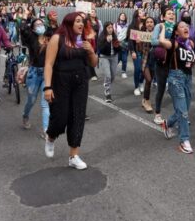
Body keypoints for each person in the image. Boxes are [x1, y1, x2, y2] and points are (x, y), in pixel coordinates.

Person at [43, 12, 98, 170]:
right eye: (78, 21)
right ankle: (51, 136)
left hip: (80, 82)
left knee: (78, 116)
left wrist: (90, 51)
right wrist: (47, 87)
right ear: (69, 23)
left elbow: (93, 64)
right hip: (61, 81)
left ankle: (74, 155)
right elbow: (48, 64)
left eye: (83, 22)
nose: (81, 24)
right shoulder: (57, 38)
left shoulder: (85, 40)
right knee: (60, 117)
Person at [160, 21, 195, 154]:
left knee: (185, 108)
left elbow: (189, 64)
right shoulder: (174, 43)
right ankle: (184, 141)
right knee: (183, 112)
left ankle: (167, 123)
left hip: (187, 79)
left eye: (187, 26)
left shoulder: (190, 44)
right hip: (175, 79)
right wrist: (162, 28)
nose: (186, 28)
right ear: (176, 32)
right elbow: (162, 42)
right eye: (182, 27)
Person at [20, 17, 49, 133]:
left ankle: (46, 131)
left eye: (41, 24)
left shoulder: (49, 38)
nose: (39, 26)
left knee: (45, 103)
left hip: (46, 73)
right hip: (34, 73)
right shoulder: (31, 38)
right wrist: (27, 18)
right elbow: (23, 29)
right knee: (31, 100)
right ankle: (25, 115)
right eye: (36, 25)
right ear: (32, 28)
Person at [151, 7, 176, 124]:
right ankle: (157, 114)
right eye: (169, 14)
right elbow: (153, 41)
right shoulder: (160, 26)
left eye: (173, 13)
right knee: (161, 89)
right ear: (164, 16)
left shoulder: (176, 27)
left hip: (174, 63)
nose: (171, 15)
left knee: (176, 90)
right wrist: (167, 42)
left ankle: (179, 115)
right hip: (161, 62)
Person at [98, 21, 121, 103]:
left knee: (113, 76)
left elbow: (118, 50)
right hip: (104, 57)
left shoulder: (114, 36)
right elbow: (100, 50)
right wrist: (107, 41)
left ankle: (107, 83)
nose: (110, 29)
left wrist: (118, 45)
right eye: (109, 28)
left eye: (111, 28)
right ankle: (107, 92)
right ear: (105, 28)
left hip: (114, 57)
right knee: (108, 75)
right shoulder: (101, 36)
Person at [127, 9, 146, 96]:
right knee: (137, 69)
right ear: (137, 15)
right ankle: (136, 87)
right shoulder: (132, 26)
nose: (143, 13)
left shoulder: (146, 25)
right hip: (136, 50)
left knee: (144, 69)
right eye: (141, 12)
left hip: (145, 51)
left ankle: (141, 82)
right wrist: (132, 51)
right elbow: (130, 40)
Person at [140, 16, 156, 113]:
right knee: (149, 80)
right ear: (145, 24)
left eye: (151, 22)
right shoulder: (142, 34)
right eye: (148, 22)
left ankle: (144, 99)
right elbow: (139, 50)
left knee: (149, 82)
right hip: (145, 60)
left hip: (154, 61)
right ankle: (147, 101)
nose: (149, 23)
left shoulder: (158, 34)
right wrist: (139, 43)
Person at [114, 13, 129, 79]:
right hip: (117, 44)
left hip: (125, 44)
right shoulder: (116, 25)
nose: (122, 16)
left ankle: (123, 72)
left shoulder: (128, 25)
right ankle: (112, 70)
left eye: (124, 16)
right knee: (117, 59)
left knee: (124, 59)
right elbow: (114, 34)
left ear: (125, 17)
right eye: (121, 15)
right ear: (119, 16)